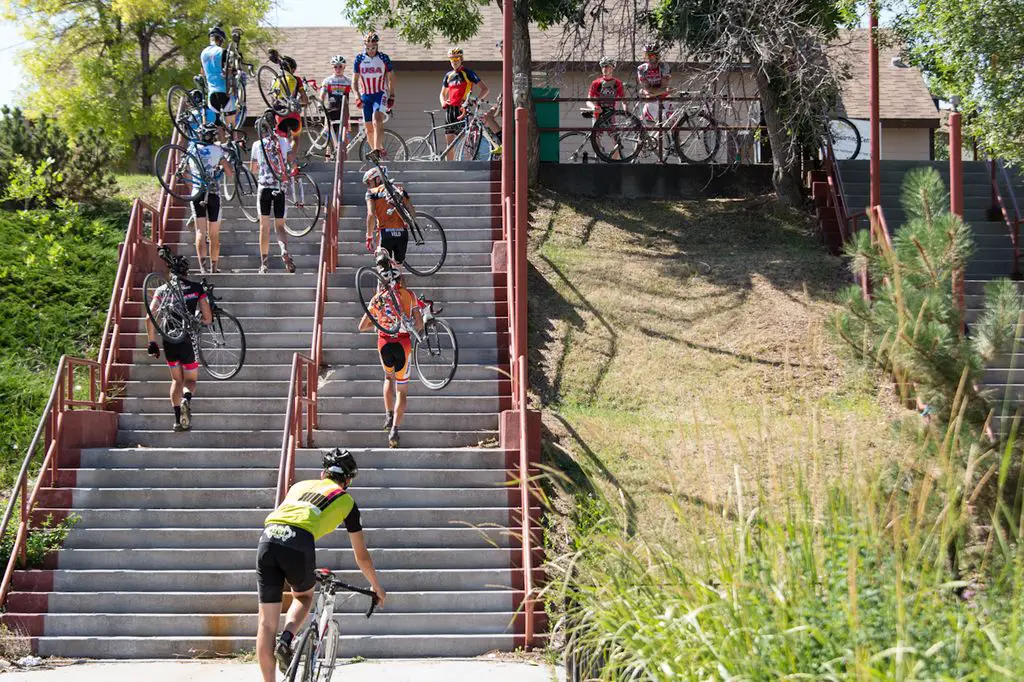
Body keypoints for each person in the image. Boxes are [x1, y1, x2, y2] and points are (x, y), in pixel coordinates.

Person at [256, 448, 386, 682]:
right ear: (347, 480)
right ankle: (287, 639)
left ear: (323, 473)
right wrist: (376, 586)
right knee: (303, 597)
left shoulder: (298, 486)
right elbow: (362, 556)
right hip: (299, 540)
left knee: (266, 624)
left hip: (267, 537)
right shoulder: (346, 501)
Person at [357, 250, 423, 448]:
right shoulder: (409, 295)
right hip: (403, 344)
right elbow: (418, 324)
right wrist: (412, 322)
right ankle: (395, 430)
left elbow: (362, 327)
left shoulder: (377, 298)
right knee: (402, 390)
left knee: (388, 378)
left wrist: (379, 323)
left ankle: (387, 414)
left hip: (384, 343)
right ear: (401, 280)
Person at [145, 248, 213, 432]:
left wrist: (152, 342)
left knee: (176, 380)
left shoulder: (161, 290)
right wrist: (200, 318)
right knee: (190, 380)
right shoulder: (196, 288)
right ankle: (186, 400)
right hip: (187, 339)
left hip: (169, 339)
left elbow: (149, 316)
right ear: (186, 271)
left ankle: (177, 421)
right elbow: (208, 318)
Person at [249, 115, 297, 274]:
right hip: (279, 188)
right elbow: (292, 160)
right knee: (280, 226)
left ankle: (264, 264)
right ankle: (283, 250)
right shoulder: (283, 142)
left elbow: (253, 169)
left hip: (264, 188)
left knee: (264, 226)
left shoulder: (257, 144)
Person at [188, 126, 232, 273]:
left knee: (200, 231)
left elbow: (188, 171)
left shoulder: (192, 148)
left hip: (197, 192)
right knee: (214, 234)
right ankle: (214, 266)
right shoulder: (217, 150)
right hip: (213, 193)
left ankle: (202, 267)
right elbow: (229, 173)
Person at [439, 47, 489, 160]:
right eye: (452, 60)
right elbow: (442, 93)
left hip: (462, 109)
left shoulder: (468, 73)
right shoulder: (448, 75)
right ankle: (450, 169)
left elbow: (485, 89)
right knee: (449, 145)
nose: (454, 62)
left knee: (464, 142)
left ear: (461, 59)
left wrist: (476, 99)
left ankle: (465, 165)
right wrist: (443, 102)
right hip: (450, 110)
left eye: (456, 59)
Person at [363, 165, 416, 263]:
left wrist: (369, 236)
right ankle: (396, 275)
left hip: (385, 233)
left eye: (369, 182)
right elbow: (412, 212)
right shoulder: (399, 189)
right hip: (403, 234)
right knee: (398, 270)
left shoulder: (371, 192)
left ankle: (386, 275)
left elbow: (370, 215)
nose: (368, 185)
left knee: (382, 268)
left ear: (377, 179)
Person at [353, 32, 395, 155]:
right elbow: (354, 81)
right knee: (369, 128)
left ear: (377, 46)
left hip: (379, 94)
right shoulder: (359, 58)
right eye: (368, 48)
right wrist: (357, 97)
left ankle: (376, 149)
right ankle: (375, 152)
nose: (370, 50)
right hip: (366, 95)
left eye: (373, 48)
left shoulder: (383, 58)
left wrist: (392, 95)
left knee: (377, 120)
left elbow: (391, 77)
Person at [200, 26, 240, 132]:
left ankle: (222, 146)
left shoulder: (203, 54)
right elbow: (230, 70)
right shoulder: (223, 52)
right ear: (220, 39)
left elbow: (202, 72)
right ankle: (234, 145)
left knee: (219, 129)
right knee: (232, 130)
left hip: (211, 95)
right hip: (224, 92)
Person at [588, 56, 626, 160]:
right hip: (598, 113)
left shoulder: (618, 83)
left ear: (612, 68)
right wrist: (594, 107)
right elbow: (588, 100)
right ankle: (598, 159)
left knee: (616, 140)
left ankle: (615, 163)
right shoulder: (596, 83)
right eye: (603, 66)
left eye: (607, 66)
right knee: (596, 139)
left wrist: (626, 112)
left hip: (611, 114)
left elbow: (624, 100)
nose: (605, 69)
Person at [319, 55, 353, 153]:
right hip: (331, 110)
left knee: (344, 136)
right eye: (335, 66)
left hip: (344, 111)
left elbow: (356, 94)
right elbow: (322, 95)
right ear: (333, 67)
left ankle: (342, 158)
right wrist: (320, 103)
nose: (338, 69)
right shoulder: (327, 81)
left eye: (340, 66)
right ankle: (328, 159)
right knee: (329, 138)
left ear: (344, 67)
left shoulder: (348, 81)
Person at [271, 54, 309, 137]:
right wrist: (298, 102)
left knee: (281, 140)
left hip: (279, 114)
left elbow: (272, 100)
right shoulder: (296, 79)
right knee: (296, 138)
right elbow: (305, 100)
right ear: (292, 69)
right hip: (293, 115)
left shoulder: (275, 79)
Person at [636, 43, 673, 124]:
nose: (648, 57)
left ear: (657, 56)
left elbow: (663, 87)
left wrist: (652, 92)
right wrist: (664, 90)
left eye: (651, 55)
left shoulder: (664, 66)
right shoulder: (641, 69)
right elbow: (648, 90)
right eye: (646, 54)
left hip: (665, 100)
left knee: (673, 125)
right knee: (645, 126)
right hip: (651, 101)